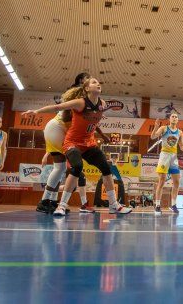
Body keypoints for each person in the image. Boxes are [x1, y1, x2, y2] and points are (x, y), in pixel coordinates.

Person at [23, 77, 131, 216]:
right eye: (93, 82)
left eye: (98, 82)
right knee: (77, 167)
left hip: (88, 143)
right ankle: (61, 205)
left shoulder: (102, 104)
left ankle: (114, 205)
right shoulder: (80, 103)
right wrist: (36, 111)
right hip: (72, 142)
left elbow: (93, 122)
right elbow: (57, 107)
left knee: (106, 167)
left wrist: (103, 134)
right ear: (86, 89)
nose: (98, 84)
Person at [36, 72, 111, 214]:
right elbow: (64, 116)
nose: (95, 83)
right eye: (90, 81)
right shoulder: (78, 100)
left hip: (60, 129)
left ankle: (51, 201)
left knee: (61, 168)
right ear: (84, 84)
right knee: (60, 168)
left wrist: (98, 125)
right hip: (57, 127)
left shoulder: (91, 102)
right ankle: (45, 201)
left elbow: (89, 121)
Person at [150, 111, 183, 215]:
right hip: (164, 155)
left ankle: (173, 205)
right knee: (162, 180)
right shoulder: (164, 128)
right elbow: (153, 137)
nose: (174, 118)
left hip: (174, 157)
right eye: (172, 116)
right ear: (169, 119)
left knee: (177, 182)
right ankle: (158, 205)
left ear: (178, 120)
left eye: (176, 117)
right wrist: (155, 127)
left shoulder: (180, 132)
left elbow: (181, 147)